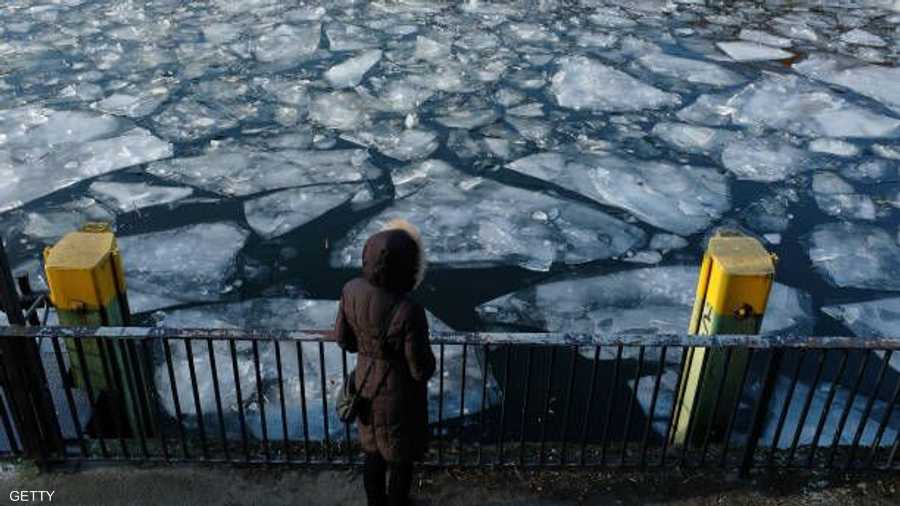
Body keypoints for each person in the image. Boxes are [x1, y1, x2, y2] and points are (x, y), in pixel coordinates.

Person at [335, 219, 436, 506]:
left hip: (365, 384)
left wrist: (369, 351)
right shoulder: (409, 309)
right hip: (398, 394)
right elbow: (419, 368)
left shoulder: (351, 290)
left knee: (373, 452)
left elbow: (344, 340)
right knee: (400, 457)